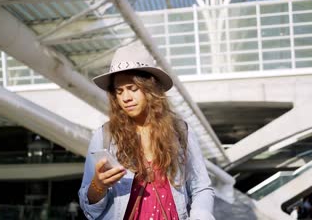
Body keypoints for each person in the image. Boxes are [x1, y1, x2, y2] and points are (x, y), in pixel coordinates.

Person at [78, 43, 215, 220]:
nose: (126, 98)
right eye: (119, 92)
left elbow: (201, 188)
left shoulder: (180, 131)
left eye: (133, 89)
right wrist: (99, 185)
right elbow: (89, 209)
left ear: (151, 89)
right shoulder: (104, 136)